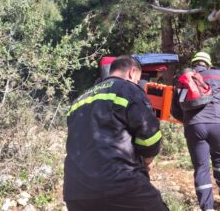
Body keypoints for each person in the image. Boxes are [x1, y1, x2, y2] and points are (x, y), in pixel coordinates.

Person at [63, 55, 168, 211]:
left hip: (75, 192)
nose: (137, 83)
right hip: (118, 185)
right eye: (138, 80)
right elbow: (150, 138)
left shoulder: (80, 100)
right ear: (132, 72)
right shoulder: (128, 89)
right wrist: (146, 161)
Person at [183, 52, 220, 211]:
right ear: (207, 64)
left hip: (195, 126)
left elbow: (175, 107)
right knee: (219, 156)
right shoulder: (218, 74)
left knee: (201, 168)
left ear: (193, 63)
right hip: (218, 123)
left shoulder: (184, 78)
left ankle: (207, 208)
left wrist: (188, 122)